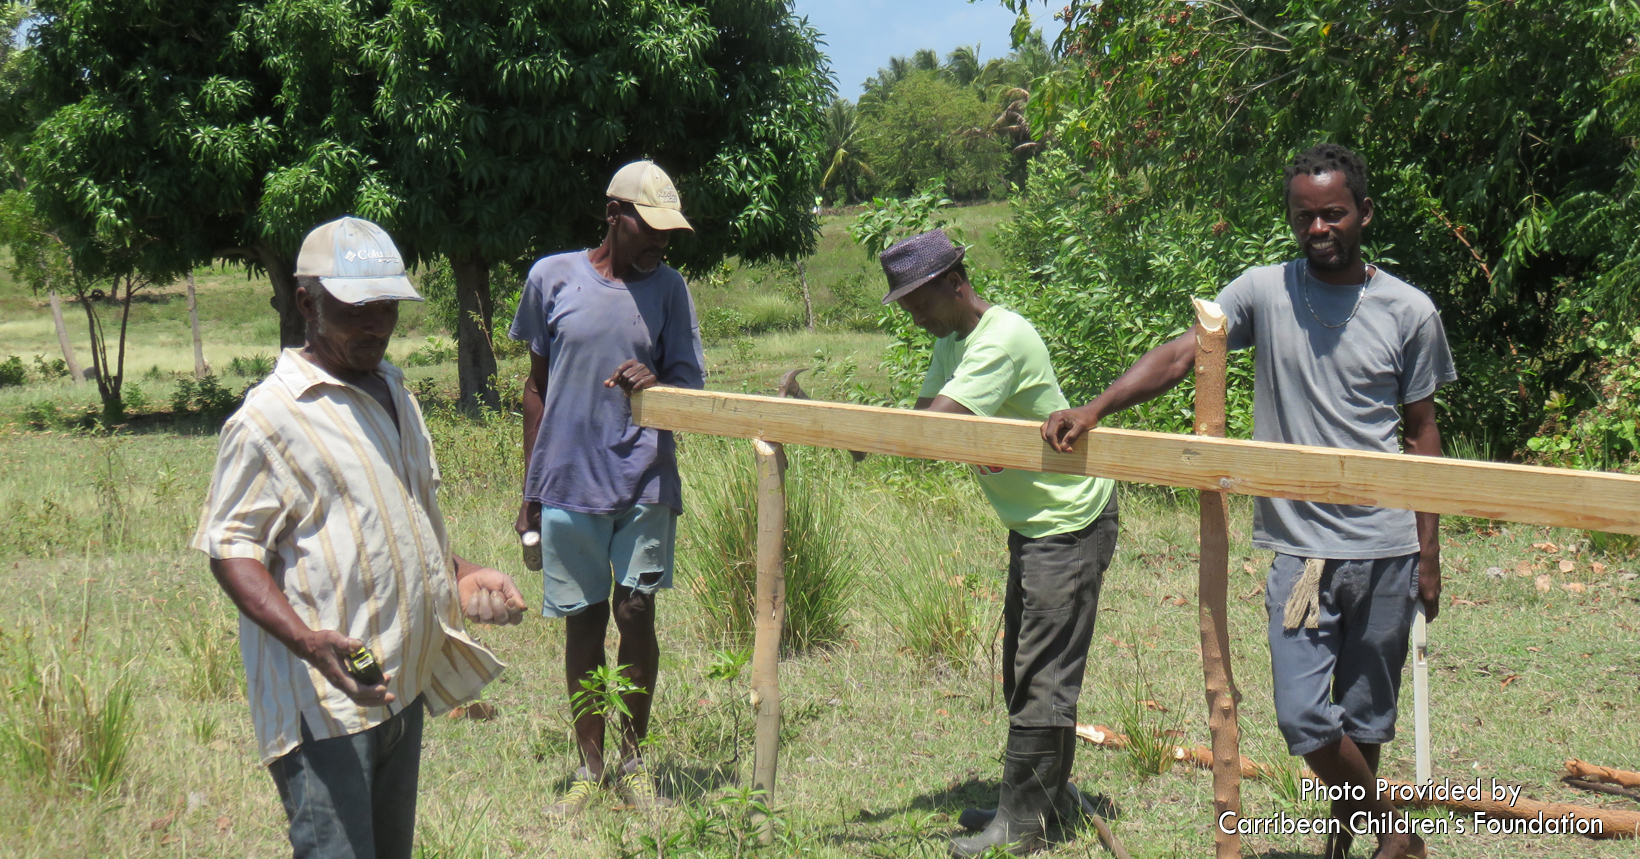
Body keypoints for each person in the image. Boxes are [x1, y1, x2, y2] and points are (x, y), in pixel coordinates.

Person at [1042, 143, 1453, 859]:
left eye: (1333, 214)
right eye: (1305, 217)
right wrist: (1098, 405)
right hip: (1301, 551)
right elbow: (1183, 352)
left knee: (1364, 722)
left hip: (1386, 547)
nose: (1319, 229)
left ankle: (1347, 846)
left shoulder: (1409, 311)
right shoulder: (1266, 291)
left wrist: (1429, 549)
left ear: (1363, 213)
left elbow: (1423, 434)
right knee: (1303, 716)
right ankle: (1398, 834)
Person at [193, 216, 528, 859]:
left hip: (394, 684)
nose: (375, 323)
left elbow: (394, 516)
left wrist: (460, 573)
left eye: (386, 306)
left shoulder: (395, 390)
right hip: (325, 703)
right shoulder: (269, 419)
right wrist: (306, 640)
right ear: (307, 303)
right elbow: (231, 548)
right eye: (355, 308)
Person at [881, 229, 1119, 857]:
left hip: (1068, 523)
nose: (912, 314)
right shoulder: (954, 341)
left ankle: (1023, 824)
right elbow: (914, 425)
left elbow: (930, 433)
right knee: (1027, 660)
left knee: (1042, 671)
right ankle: (1041, 797)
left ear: (954, 284)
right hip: (1034, 524)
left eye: (916, 301)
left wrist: (842, 430)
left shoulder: (1001, 339)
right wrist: (835, 427)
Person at [509, 160, 705, 816]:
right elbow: (536, 386)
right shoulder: (551, 277)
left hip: (644, 476)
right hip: (568, 480)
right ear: (613, 214)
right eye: (649, 228)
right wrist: (530, 490)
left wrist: (657, 386)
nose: (660, 243)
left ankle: (633, 759)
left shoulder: (671, 290)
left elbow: (691, 388)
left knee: (636, 612)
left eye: (668, 234)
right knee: (584, 623)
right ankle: (591, 769)